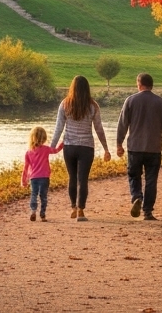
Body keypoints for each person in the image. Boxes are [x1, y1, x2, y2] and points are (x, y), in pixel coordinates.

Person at [115, 72, 162, 221]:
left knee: (134, 176)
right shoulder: (160, 102)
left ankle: (137, 197)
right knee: (151, 179)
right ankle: (147, 211)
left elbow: (122, 124)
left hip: (135, 147)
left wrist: (119, 144)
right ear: (151, 85)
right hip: (154, 148)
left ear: (139, 84)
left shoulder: (130, 101)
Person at [51, 75, 111, 221]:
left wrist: (51, 148)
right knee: (82, 179)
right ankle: (81, 211)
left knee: (72, 177)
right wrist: (106, 149)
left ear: (72, 87)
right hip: (86, 147)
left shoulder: (65, 104)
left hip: (69, 147)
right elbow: (99, 129)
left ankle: (73, 207)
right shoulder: (93, 106)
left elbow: (58, 128)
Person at [21, 126, 63, 222]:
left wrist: (23, 181)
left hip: (33, 178)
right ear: (44, 138)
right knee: (43, 196)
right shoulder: (46, 149)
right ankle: (43, 214)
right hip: (44, 177)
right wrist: (63, 143)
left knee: (34, 194)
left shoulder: (28, 152)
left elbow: (26, 168)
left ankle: (33, 211)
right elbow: (56, 150)